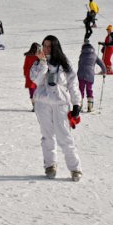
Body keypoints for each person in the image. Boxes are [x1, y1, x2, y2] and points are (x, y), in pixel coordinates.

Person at [30, 35, 83, 182]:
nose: (46, 49)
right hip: (43, 103)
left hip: (61, 103)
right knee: (47, 136)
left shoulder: (65, 64)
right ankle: (50, 165)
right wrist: (42, 62)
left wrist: (76, 103)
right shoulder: (37, 64)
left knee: (65, 136)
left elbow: (73, 84)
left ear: (55, 47)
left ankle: (75, 168)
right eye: (44, 45)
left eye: (49, 46)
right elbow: (36, 80)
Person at [77, 40, 106, 112]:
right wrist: (104, 71)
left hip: (81, 74)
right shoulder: (94, 55)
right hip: (90, 75)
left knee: (80, 90)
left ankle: (79, 106)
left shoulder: (82, 55)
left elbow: (79, 63)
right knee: (89, 89)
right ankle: (90, 106)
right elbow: (101, 63)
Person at [23, 43, 40, 111]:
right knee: (34, 92)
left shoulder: (39, 56)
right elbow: (26, 66)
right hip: (33, 77)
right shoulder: (33, 56)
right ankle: (35, 106)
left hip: (34, 76)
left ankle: (36, 106)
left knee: (34, 92)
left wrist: (26, 74)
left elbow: (25, 66)